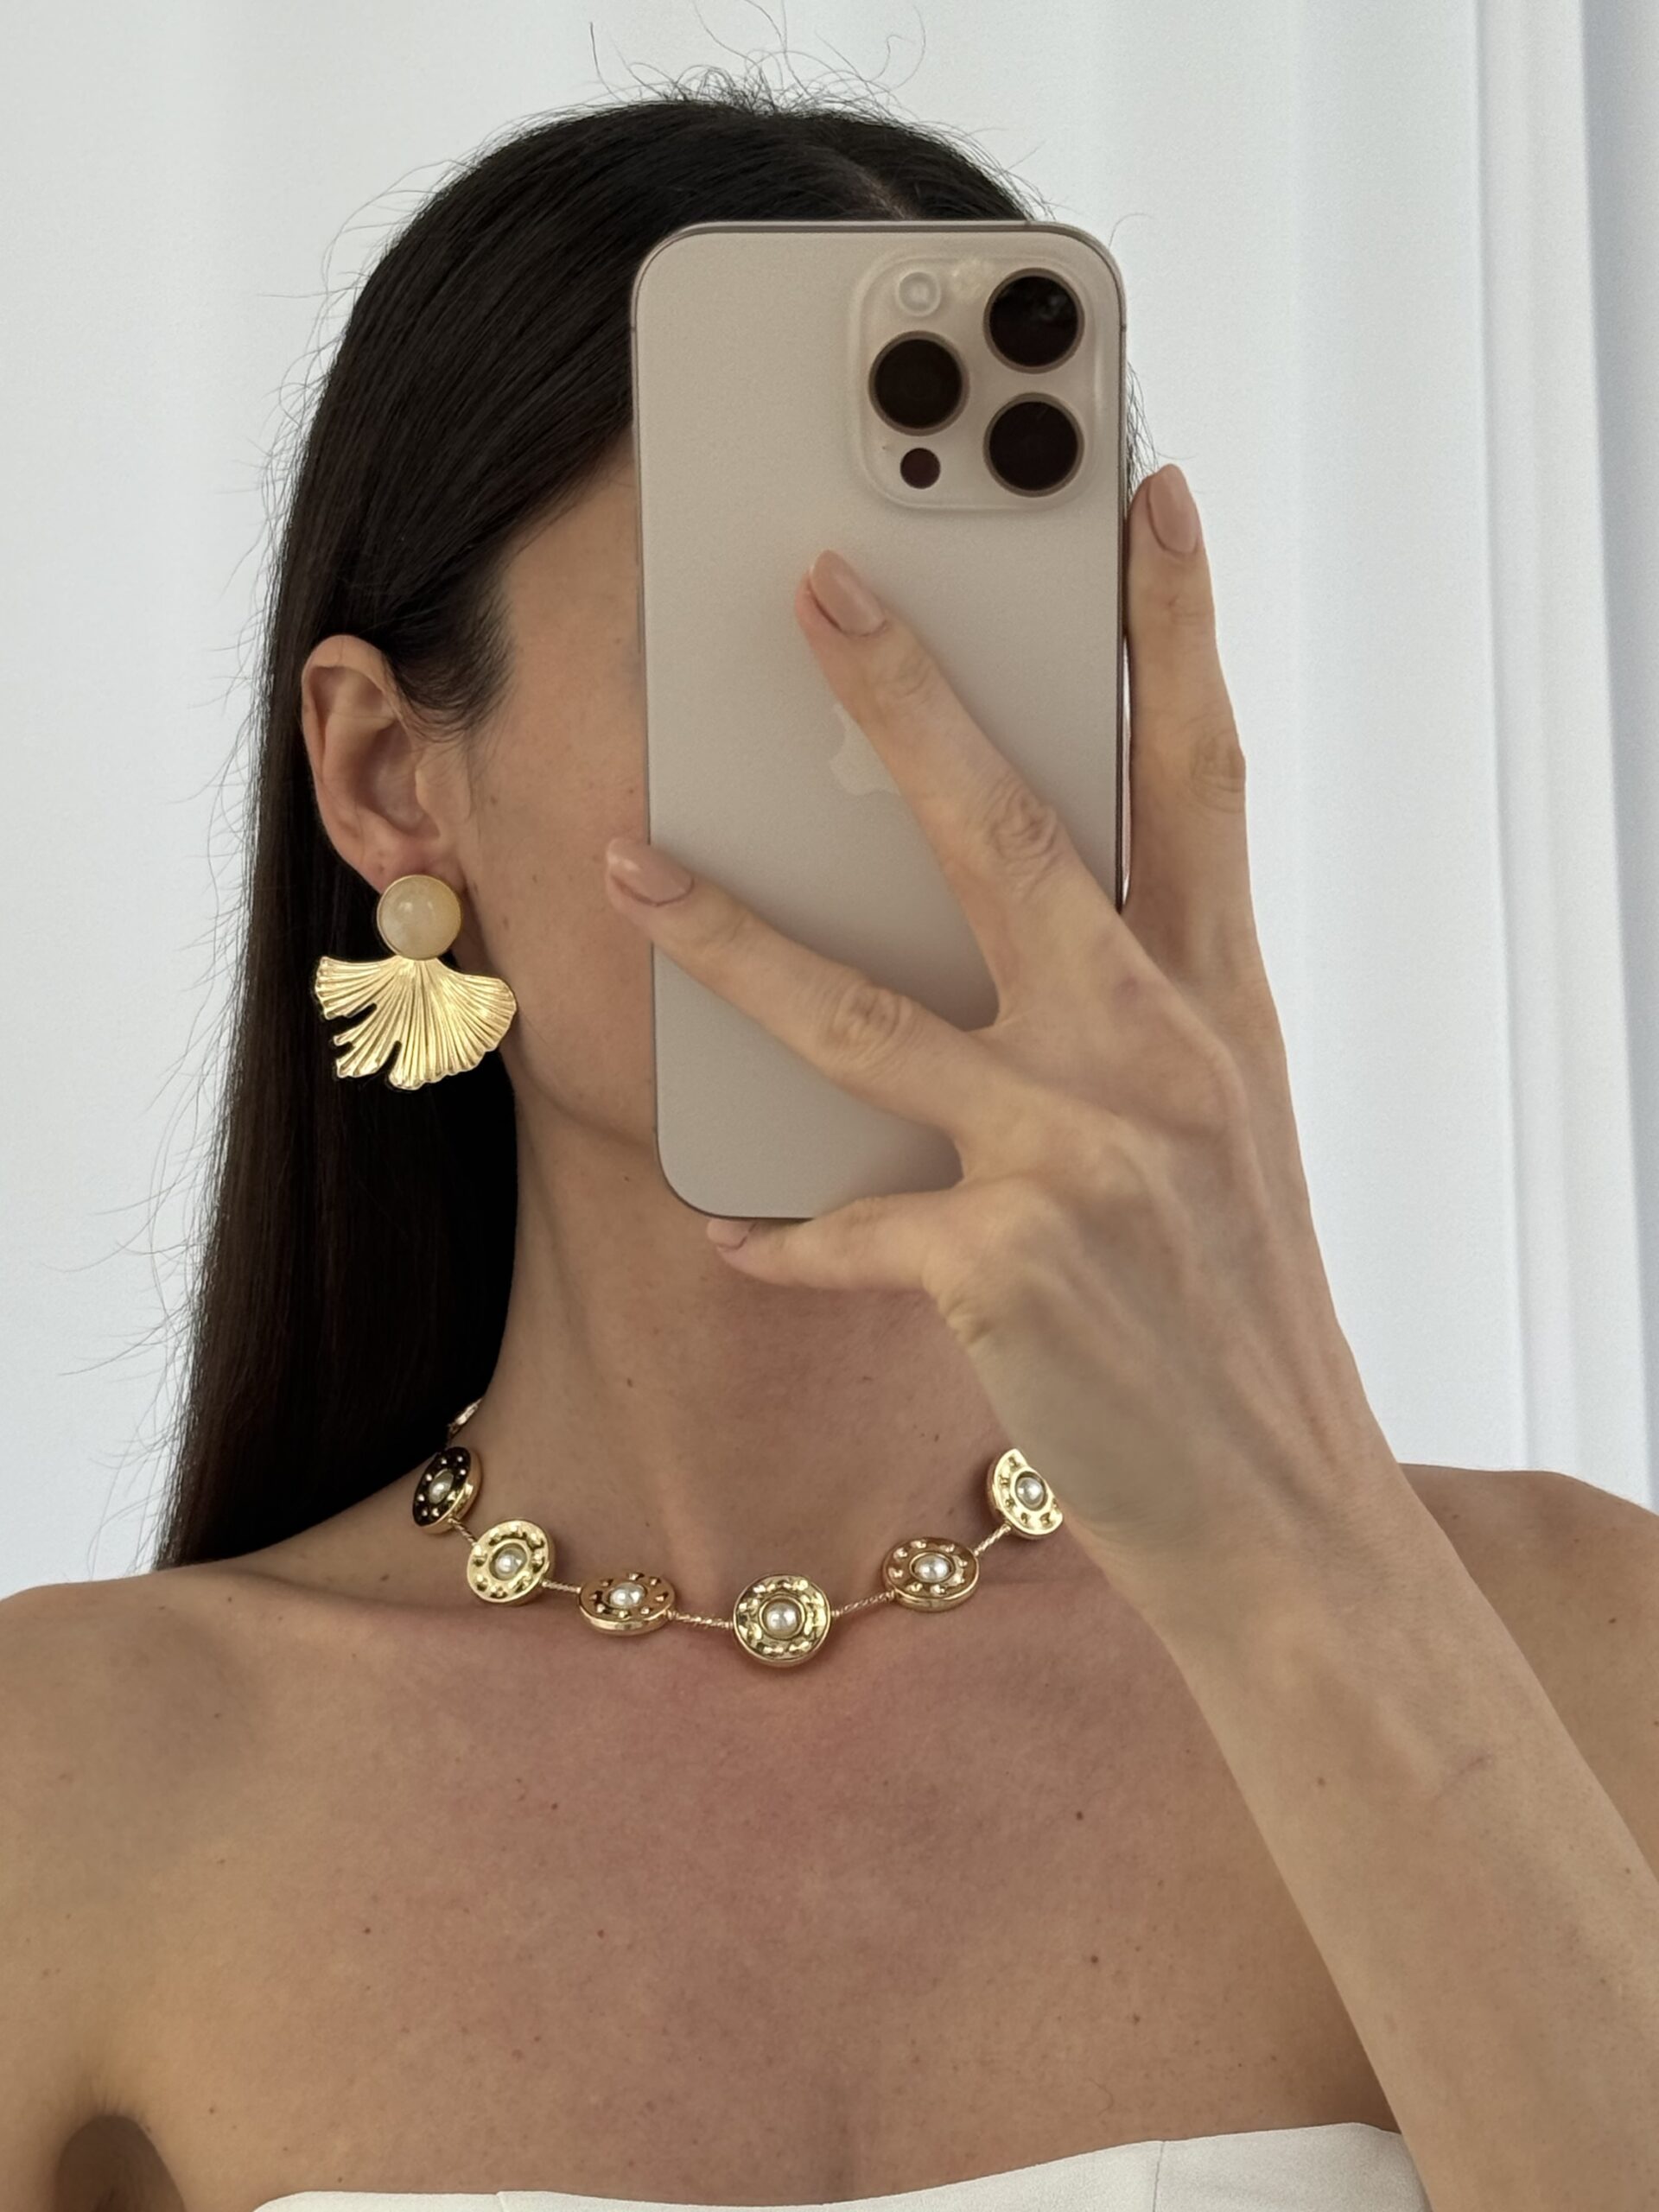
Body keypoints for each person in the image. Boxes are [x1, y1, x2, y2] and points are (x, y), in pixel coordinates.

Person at [5, 78, 1658, 2212]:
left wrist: (1292, 1505)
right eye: (763, 657)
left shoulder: (1579, 1647)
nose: (917, 780)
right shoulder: (79, 1786)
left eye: (995, 666)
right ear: (393, 777)